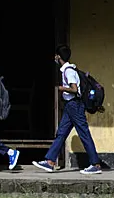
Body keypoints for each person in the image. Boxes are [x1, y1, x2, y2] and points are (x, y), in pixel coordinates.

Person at [33, 45, 102, 175]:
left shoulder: (69, 71)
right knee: (62, 133)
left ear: (59, 56)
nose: (54, 57)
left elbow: (75, 89)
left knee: (84, 134)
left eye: (56, 55)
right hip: (70, 106)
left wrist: (60, 88)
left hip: (75, 105)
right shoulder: (67, 70)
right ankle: (50, 162)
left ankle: (95, 164)